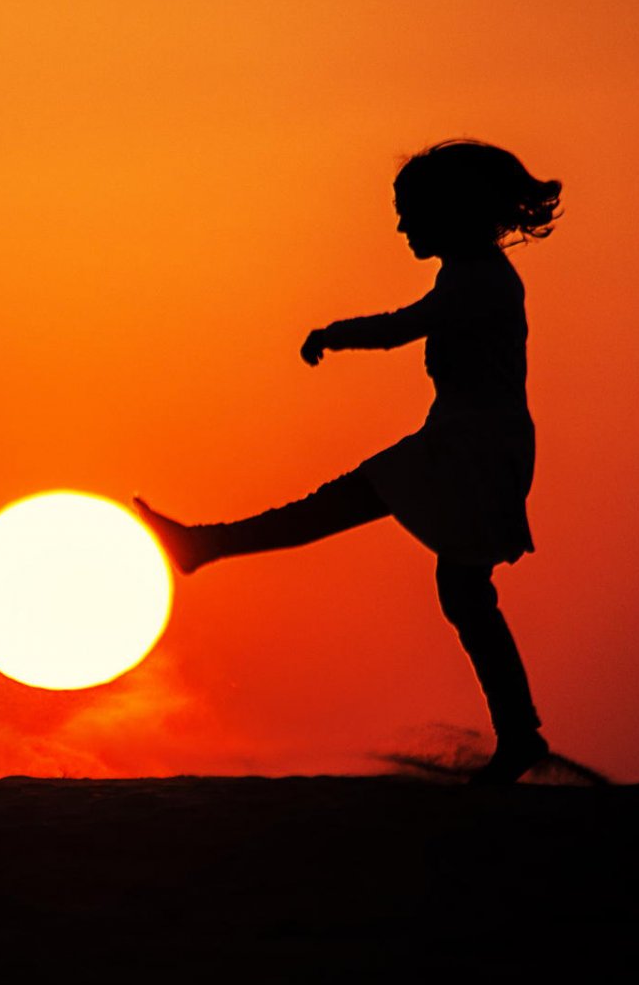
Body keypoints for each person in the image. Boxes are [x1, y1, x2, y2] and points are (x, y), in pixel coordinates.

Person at [136, 140, 560, 786]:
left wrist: (331, 333)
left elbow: (402, 327)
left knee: (356, 512)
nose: (400, 225)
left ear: (449, 210)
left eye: (409, 210)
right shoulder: (470, 272)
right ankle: (521, 735)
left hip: (472, 444)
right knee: (464, 594)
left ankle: (205, 544)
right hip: (472, 439)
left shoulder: (478, 277)